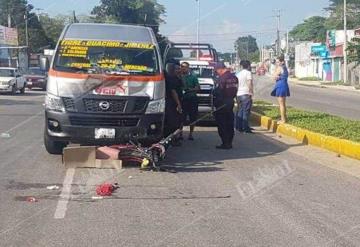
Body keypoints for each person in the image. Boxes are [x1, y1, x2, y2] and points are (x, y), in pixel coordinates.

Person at [213, 63, 239, 150]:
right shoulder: (234, 77)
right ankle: (230, 142)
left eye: (216, 71)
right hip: (230, 102)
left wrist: (216, 103)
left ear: (220, 69)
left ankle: (225, 143)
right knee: (229, 123)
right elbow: (235, 90)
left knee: (222, 124)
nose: (217, 73)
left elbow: (219, 92)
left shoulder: (222, 78)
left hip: (222, 103)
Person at [164, 62, 183, 145]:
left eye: (179, 69)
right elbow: (173, 92)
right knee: (173, 123)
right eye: (177, 69)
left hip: (175, 101)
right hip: (172, 103)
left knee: (178, 121)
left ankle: (174, 139)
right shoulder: (171, 79)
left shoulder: (176, 78)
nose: (179, 70)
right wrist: (178, 104)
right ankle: (172, 140)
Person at [180, 61, 200, 141]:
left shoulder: (193, 77)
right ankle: (180, 133)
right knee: (181, 117)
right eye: (182, 66)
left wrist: (190, 90)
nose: (183, 68)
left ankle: (191, 134)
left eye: (184, 67)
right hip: (182, 99)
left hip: (192, 99)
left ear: (188, 68)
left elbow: (198, 87)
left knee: (193, 117)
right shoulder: (179, 77)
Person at [236, 60, 254, 133]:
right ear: (248, 66)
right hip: (246, 93)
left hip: (239, 94)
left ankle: (238, 127)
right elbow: (249, 83)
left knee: (240, 110)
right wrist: (251, 92)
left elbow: (236, 85)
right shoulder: (248, 73)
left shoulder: (238, 74)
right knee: (246, 111)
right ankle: (245, 128)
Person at [271, 56, 290, 123]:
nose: (277, 63)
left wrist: (276, 74)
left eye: (278, 62)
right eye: (276, 62)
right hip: (284, 84)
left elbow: (273, 77)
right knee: (283, 103)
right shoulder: (285, 68)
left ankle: (283, 119)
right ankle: (284, 117)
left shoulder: (279, 68)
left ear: (282, 62)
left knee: (281, 104)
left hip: (280, 85)